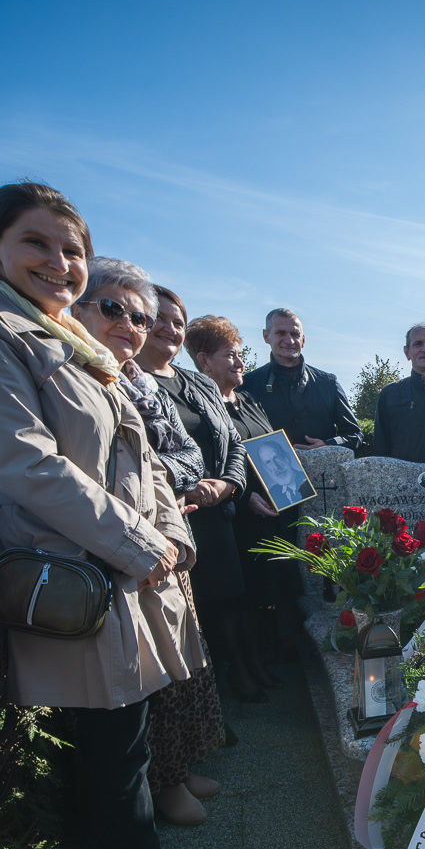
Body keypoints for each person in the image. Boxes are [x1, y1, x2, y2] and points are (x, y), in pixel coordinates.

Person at [0, 182, 210, 849]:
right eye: (37, 242)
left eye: (72, 249)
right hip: (81, 574)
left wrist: (170, 533)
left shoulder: (78, 345)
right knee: (112, 748)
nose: (59, 262)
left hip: (131, 569)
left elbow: (141, 456)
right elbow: (25, 464)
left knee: (128, 739)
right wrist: (141, 543)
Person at [75, 271, 231, 829]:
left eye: (151, 318)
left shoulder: (137, 380)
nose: (144, 326)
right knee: (150, 675)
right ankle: (162, 783)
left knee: (182, 668)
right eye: (126, 312)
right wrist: (162, 485)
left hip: (169, 532)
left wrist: (175, 484)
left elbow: (187, 450)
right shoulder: (88, 372)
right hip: (124, 542)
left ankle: (178, 767)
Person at [142, 292, 267, 703]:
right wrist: (189, 486)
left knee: (232, 598)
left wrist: (228, 485)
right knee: (197, 607)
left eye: (177, 322)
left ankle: (244, 670)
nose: (169, 328)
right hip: (173, 513)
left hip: (220, 510)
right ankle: (214, 689)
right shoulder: (129, 380)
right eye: (158, 318)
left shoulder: (198, 383)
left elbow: (233, 442)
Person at [187, 313, 296, 690]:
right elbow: (210, 461)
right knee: (235, 596)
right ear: (204, 361)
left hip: (269, 512)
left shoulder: (248, 399)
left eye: (239, 354)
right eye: (230, 355)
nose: (239, 362)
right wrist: (246, 494)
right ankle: (239, 670)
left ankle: (258, 663)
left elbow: (271, 449)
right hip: (232, 515)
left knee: (262, 592)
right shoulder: (199, 406)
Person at [239, 307, 360, 450]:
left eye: (295, 334)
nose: (289, 340)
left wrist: (327, 445)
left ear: (303, 340)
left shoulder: (328, 383)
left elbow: (354, 434)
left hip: (322, 464)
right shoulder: (247, 385)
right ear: (266, 336)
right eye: (280, 333)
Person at [370, 322, 425, 463]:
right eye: (418, 344)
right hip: (403, 477)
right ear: (407, 352)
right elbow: (380, 450)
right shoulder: (389, 394)